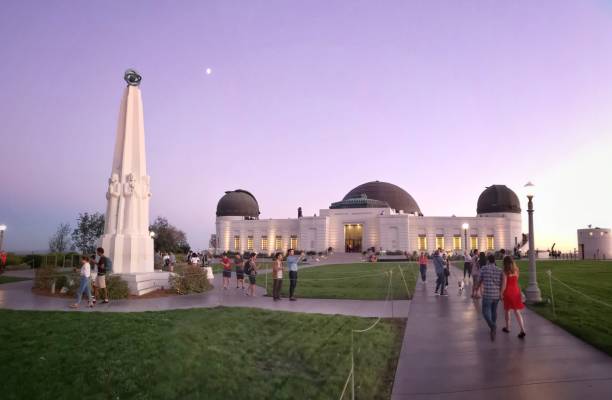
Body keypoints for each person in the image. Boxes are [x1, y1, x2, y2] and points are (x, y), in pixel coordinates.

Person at [477, 254, 503, 341]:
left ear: (488, 260)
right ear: (495, 261)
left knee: (485, 312)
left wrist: (476, 289)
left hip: (487, 294)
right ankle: (493, 326)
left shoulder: (484, 268)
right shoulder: (500, 270)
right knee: (493, 311)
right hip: (496, 295)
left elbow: (479, 280)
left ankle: (492, 326)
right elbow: (502, 283)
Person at [501, 256, 526, 339]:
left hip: (508, 292)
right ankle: (522, 329)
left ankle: (507, 327)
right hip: (516, 291)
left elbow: (504, 285)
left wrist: (501, 293)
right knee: (517, 311)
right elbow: (516, 281)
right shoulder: (516, 270)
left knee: (507, 310)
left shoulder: (505, 272)